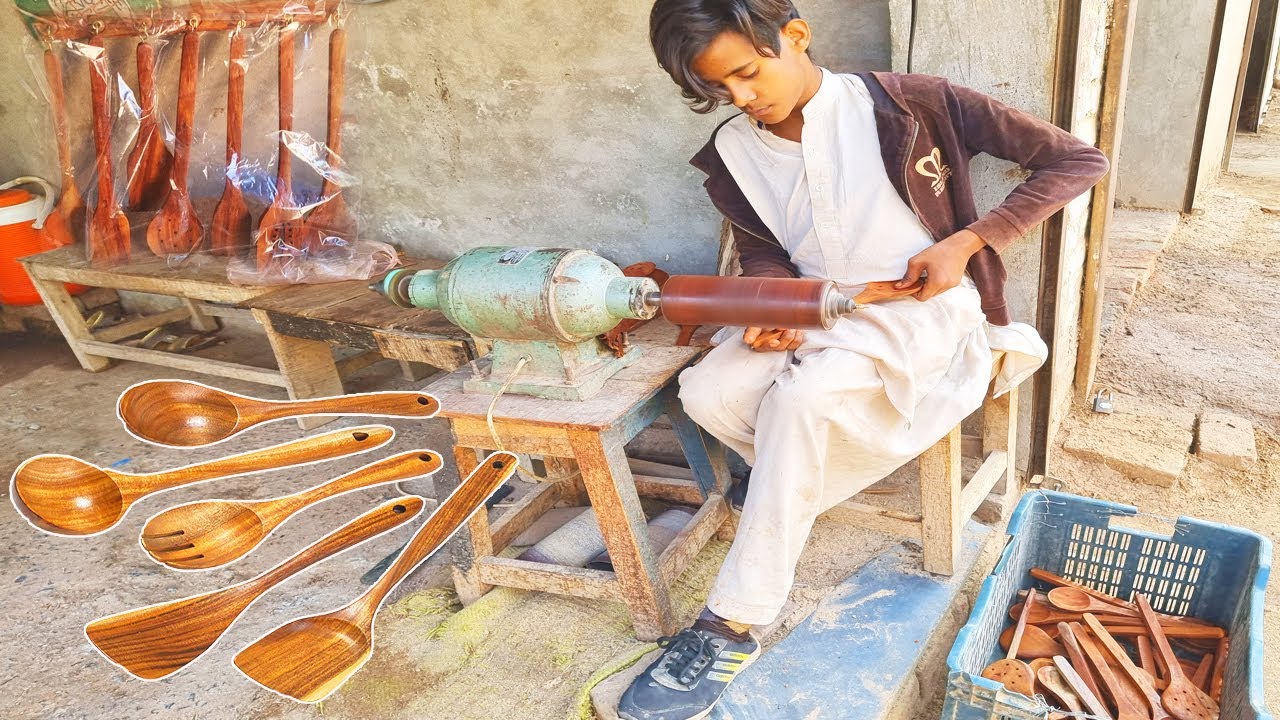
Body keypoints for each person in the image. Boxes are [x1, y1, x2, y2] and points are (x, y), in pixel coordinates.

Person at [616, 1, 1109, 719]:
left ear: (796, 36)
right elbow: (762, 251)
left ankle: (733, 622)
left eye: (750, 73)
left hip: (917, 310)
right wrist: (771, 306)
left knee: (802, 403)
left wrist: (967, 242)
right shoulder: (732, 154)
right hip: (813, 312)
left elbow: (1078, 159)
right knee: (708, 393)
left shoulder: (915, 104)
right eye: (721, 89)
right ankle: (793, 492)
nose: (743, 99)